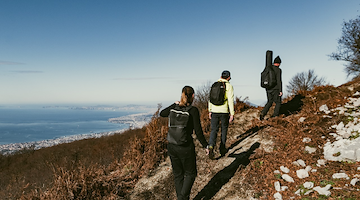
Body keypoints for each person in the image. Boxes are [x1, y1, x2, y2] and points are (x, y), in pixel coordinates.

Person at [160, 86, 209, 200]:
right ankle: (182, 198)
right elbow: (198, 132)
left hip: (172, 146)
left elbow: (162, 113)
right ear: (192, 96)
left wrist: (174, 104)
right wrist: (205, 146)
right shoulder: (193, 111)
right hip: (185, 147)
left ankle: (182, 198)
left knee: (178, 175)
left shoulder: (175, 108)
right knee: (191, 174)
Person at [208, 70, 235, 159]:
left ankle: (211, 146)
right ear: (228, 77)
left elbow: (210, 98)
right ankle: (222, 150)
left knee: (214, 130)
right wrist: (232, 113)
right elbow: (230, 101)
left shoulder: (214, 85)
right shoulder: (229, 86)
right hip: (224, 112)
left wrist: (210, 110)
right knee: (224, 130)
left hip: (214, 111)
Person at [260, 56, 283, 120]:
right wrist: (280, 90)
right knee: (278, 102)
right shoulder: (278, 70)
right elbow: (279, 80)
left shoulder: (268, 68)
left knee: (269, 101)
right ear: (278, 63)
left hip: (268, 88)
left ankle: (263, 113)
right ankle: (275, 116)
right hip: (275, 89)